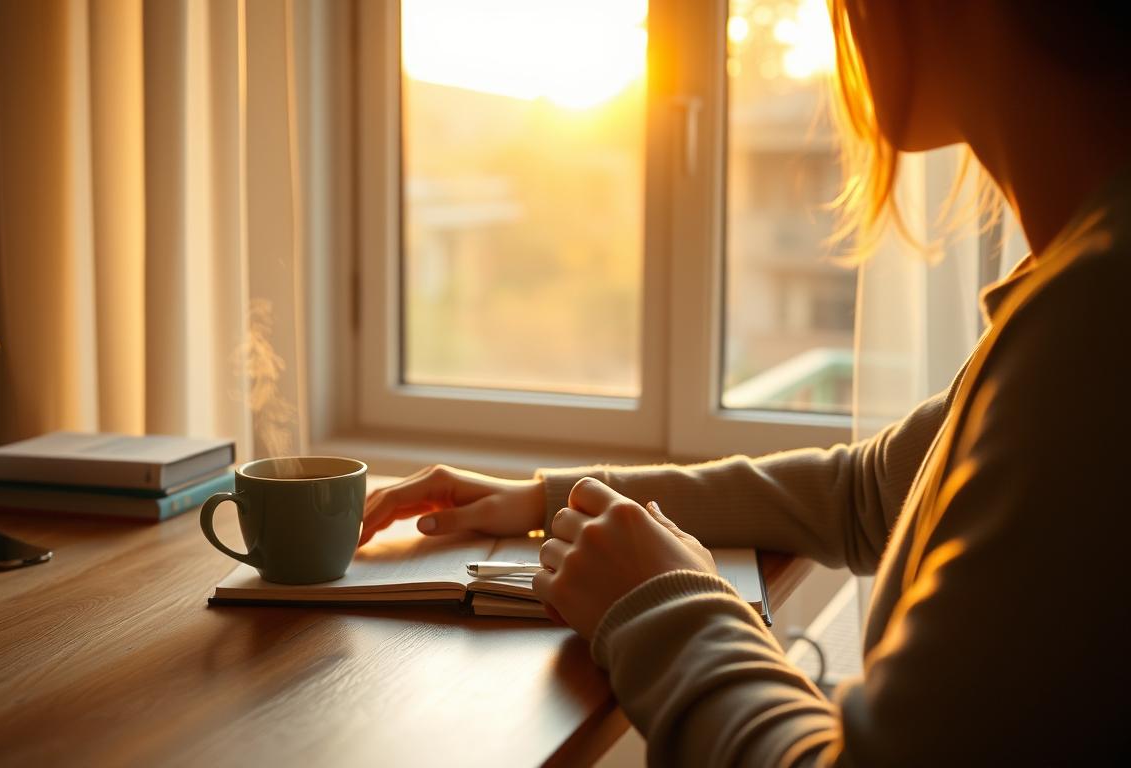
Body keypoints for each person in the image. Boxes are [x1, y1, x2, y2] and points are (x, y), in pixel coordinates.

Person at [359, 1, 1130, 764]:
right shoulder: (1074, 289)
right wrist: (543, 500)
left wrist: (663, 602)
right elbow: (869, 494)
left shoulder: (1095, 329)